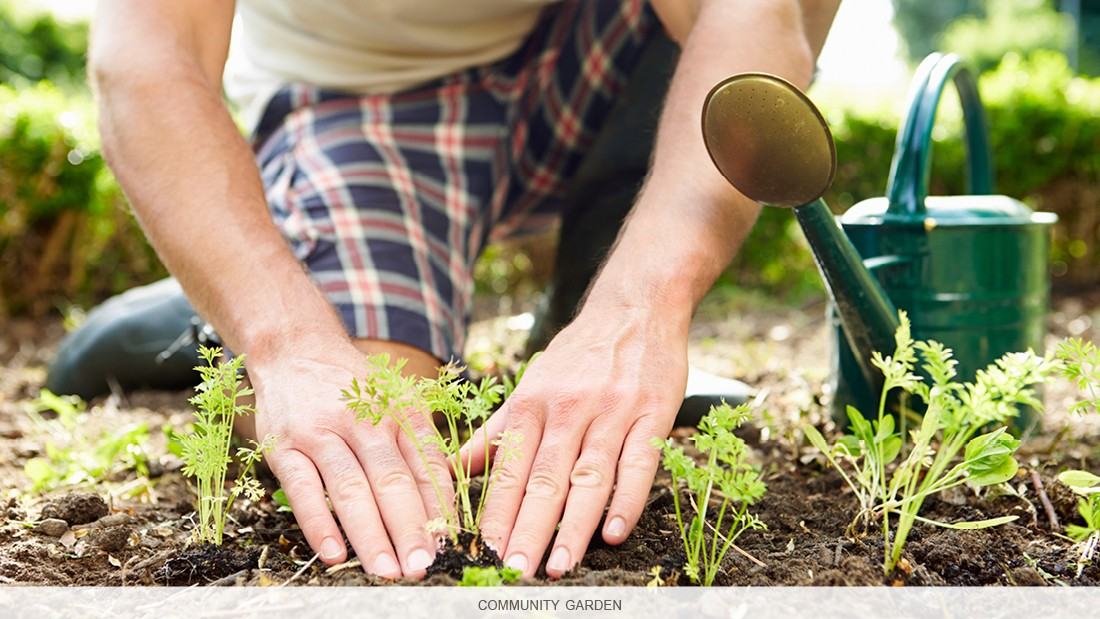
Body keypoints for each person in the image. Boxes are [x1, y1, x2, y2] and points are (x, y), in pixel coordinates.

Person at [75, 0, 839, 580]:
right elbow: (148, 59)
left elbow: (752, 17)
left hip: (596, 46)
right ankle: (240, 290)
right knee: (379, 412)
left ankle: (587, 307)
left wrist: (640, 307)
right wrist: (284, 339)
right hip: (367, 91)